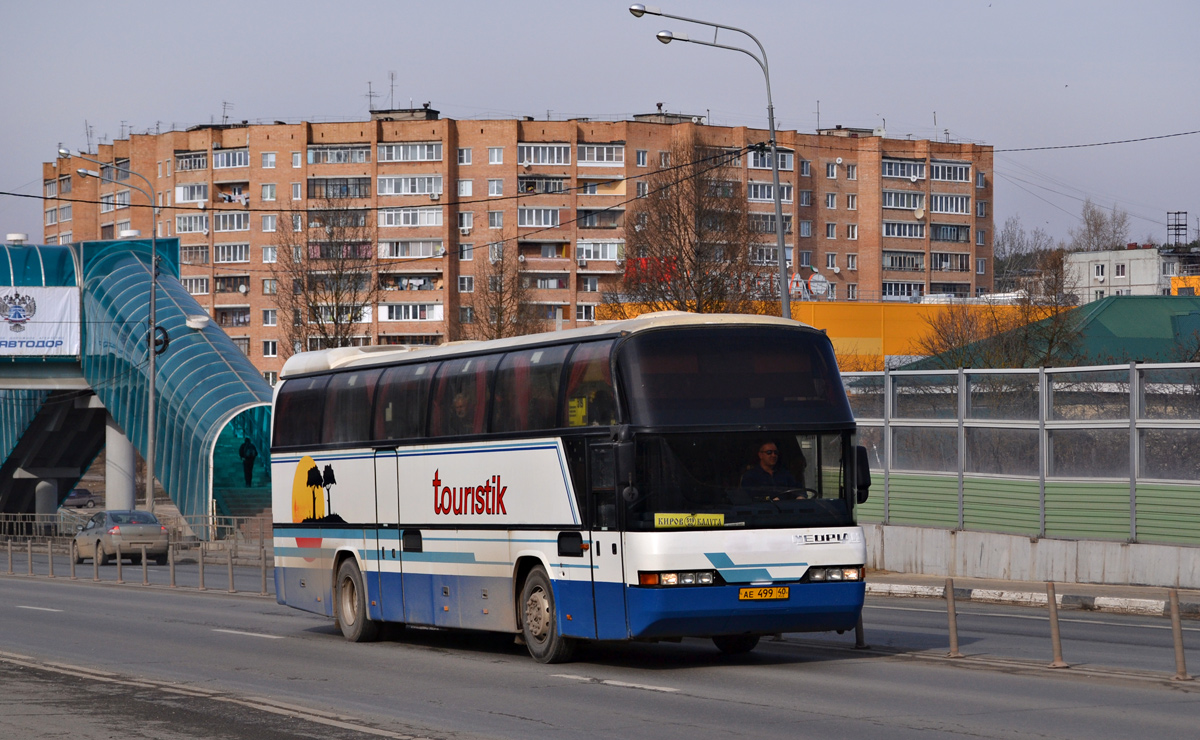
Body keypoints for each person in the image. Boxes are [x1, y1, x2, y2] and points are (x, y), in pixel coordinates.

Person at [740, 442, 804, 500]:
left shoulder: (785, 474)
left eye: (775, 453)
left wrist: (799, 496)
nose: (773, 455)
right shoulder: (750, 476)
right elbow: (749, 498)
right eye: (769, 452)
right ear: (760, 455)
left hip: (787, 510)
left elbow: (797, 490)